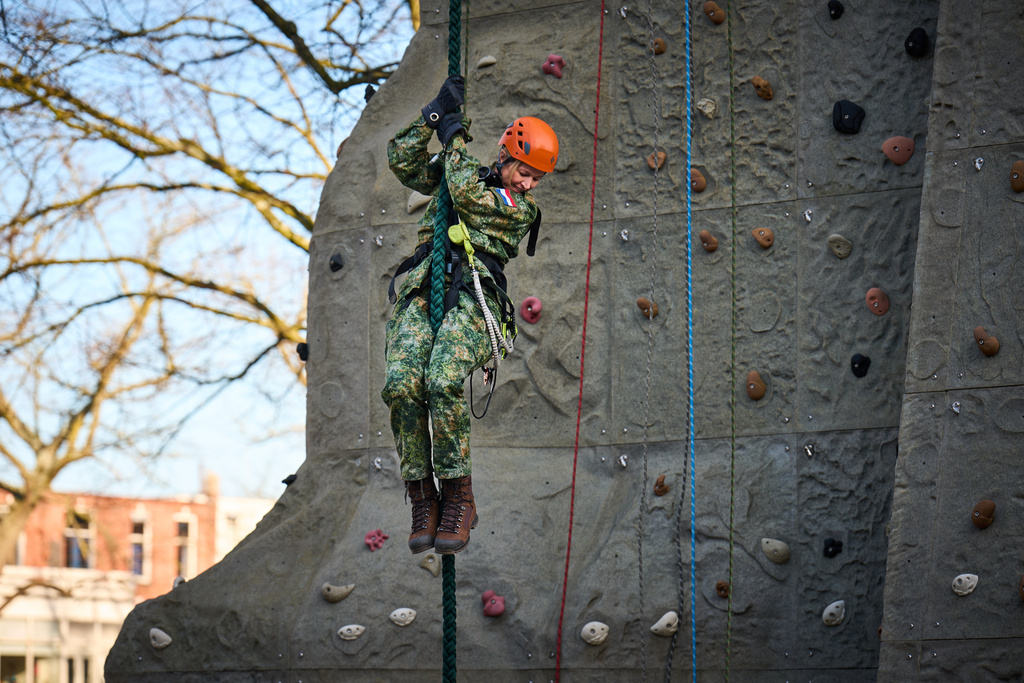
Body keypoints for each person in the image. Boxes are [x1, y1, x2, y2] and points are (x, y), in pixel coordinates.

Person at [382, 75, 558, 555]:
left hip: (477, 299)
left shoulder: (517, 207)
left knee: (441, 378)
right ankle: (422, 494)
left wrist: (455, 135)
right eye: (525, 170)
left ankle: (459, 495)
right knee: (401, 386)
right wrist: (433, 116)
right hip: (425, 287)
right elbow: (403, 161)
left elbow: (461, 192)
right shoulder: (461, 171)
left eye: (536, 178)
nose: (529, 183)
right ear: (505, 155)